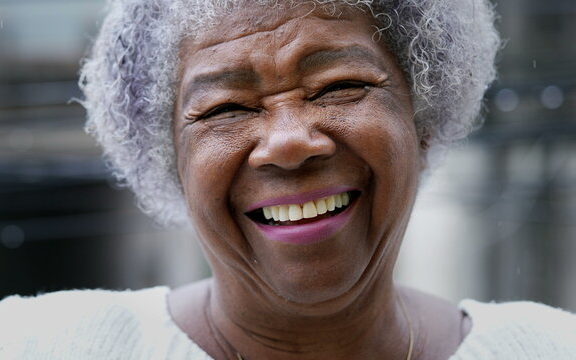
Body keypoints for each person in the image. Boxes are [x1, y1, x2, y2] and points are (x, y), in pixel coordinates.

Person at [1, 0, 575, 359]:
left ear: (421, 117)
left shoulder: (547, 348)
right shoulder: (39, 344)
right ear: (169, 159)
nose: (290, 143)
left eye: (337, 86)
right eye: (226, 108)